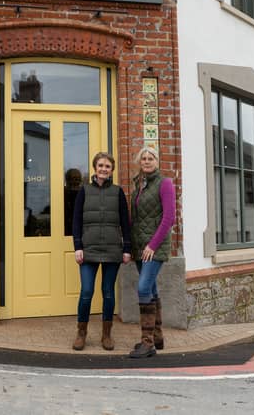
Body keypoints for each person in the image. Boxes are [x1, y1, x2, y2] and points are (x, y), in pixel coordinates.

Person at [72, 152, 131, 351]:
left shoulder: (117, 192)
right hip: (88, 250)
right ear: (95, 168)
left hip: (113, 250)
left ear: (112, 170)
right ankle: (81, 332)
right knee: (87, 292)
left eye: (107, 166)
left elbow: (125, 222)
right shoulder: (84, 191)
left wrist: (127, 248)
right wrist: (78, 246)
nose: (104, 169)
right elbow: (76, 221)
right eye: (100, 165)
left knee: (108, 293)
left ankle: (107, 334)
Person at [129, 146, 176, 359]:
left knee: (143, 287)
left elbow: (169, 218)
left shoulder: (164, 183)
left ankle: (147, 343)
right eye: (144, 159)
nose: (147, 161)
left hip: (153, 247)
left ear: (157, 161)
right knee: (152, 288)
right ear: (140, 162)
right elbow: (135, 219)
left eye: (151, 158)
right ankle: (157, 336)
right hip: (140, 246)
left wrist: (152, 246)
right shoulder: (138, 185)